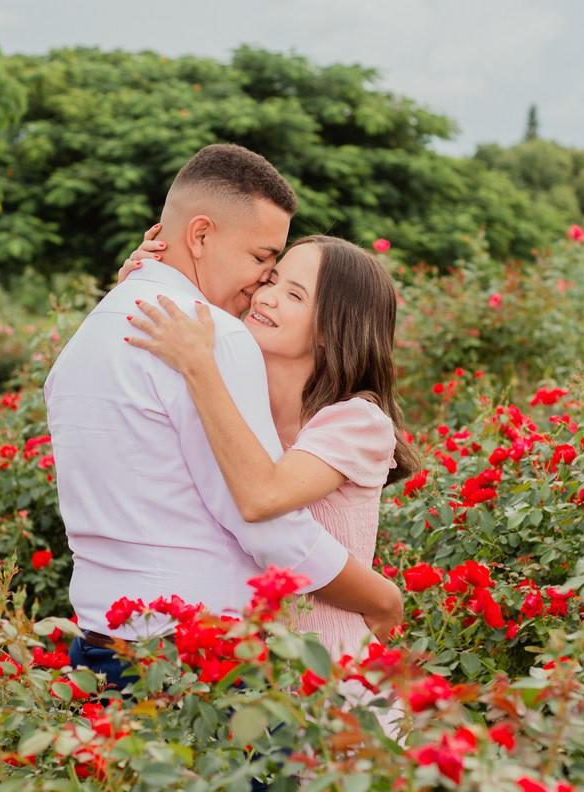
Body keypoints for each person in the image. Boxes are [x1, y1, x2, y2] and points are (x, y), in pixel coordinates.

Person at [44, 144, 403, 688]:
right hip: (195, 658)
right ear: (202, 235)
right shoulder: (211, 340)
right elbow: (266, 521)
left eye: (284, 280)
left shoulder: (90, 334)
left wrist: (138, 282)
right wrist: (381, 594)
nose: (263, 285)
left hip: (99, 646)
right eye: (264, 261)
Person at [123, 233, 420, 659]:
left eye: (294, 295)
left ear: (330, 328)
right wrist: (145, 277)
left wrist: (198, 365)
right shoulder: (241, 398)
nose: (266, 297)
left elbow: (265, 496)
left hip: (331, 672)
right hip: (252, 675)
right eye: (272, 280)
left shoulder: (357, 420)